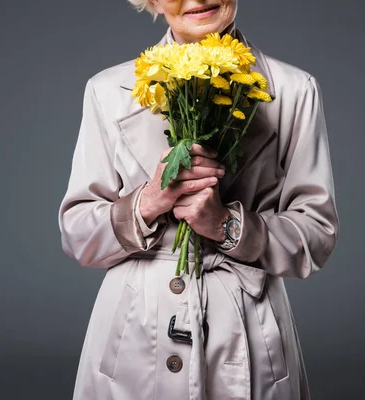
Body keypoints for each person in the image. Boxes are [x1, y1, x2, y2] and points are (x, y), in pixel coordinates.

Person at [57, 0, 339, 399]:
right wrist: (148, 202)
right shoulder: (107, 91)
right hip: (134, 334)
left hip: (248, 332)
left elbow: (318, 236)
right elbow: (77, 235)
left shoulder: (294, 91)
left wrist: (229, 226)